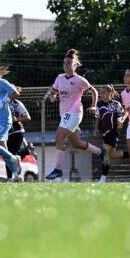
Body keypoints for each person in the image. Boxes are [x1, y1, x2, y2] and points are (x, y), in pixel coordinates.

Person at [45, 49, 104, 181]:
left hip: (75, 113)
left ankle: (58, 169)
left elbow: (93, 90)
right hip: (65, 115)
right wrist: (53, 97)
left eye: (69, 62)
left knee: (58, 138)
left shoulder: (79, 80)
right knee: (77, 144)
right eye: (64, 62)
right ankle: (101, 152)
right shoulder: (59, 78)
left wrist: (94, 105)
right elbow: (53, 92)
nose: (66, 64)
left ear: (75, 65)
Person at [95, 85, 126, 182]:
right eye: (100, 93)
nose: (101, 94)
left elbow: (121, 115)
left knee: (105, 153)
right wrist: (96, 128)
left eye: (103, 92)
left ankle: (103, 178)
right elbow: (98, 117)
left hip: (113, 132)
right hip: (104, 132)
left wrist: (120, 121)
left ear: (110, 93)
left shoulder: (116, 104)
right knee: (113, 154)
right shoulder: (99, 104)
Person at [5, 95, 33, 181]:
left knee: (10, 154)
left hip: (17, 132)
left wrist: (16, 119)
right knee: (7, 155)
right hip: (5, 132)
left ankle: (11, 178)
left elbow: (28, 117)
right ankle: (25, 151)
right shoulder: (1, 101)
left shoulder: (16, 103)